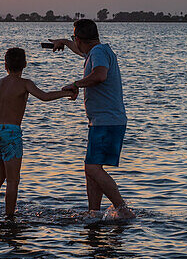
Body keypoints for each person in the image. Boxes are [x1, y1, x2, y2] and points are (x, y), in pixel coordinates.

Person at [45, 19, 133, 220]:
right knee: (92, 170)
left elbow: (100, 75)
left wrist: (76, 84)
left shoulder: (98, 53)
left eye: (74, 38)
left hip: (107, 121)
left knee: (92, 168)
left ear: (80, 38)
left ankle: (123, 210)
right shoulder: (98, 50)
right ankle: (94, 213)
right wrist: (66, 43)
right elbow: (84, 53)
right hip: (102, 120)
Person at [0, 47, 77, 220]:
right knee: (12, 180)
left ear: (5, 65)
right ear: (25, 64)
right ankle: (9, 217)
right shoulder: (25, 83)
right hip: (10, 133)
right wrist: (66, 93)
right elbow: (45, 96)